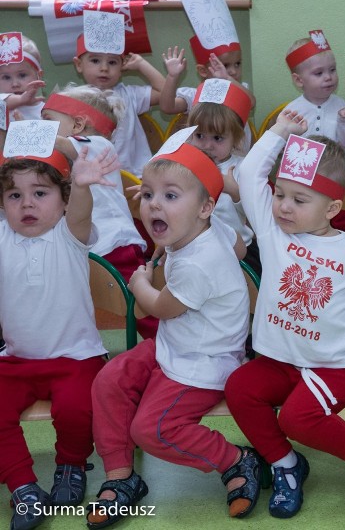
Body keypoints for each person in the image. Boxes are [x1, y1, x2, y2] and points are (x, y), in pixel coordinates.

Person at [225, 110, 345, 517]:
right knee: (239, 389)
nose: (284, 206)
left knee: (296, 419)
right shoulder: (271, 233)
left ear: (332, 207)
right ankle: (287, 465)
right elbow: (250, 172)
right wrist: (278, 133)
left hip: (336, 367)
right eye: (280, 194)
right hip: (278, 361)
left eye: (299, 199)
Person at [86, 140, 261, 529]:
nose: (152, 205)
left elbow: (158, 308)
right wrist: (179, 218)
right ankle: (120, 475)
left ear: (204, 208)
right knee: (109, 380)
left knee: (154, 430)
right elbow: (235, 246)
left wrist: (139, 284)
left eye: (169, 195)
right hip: (175, 344)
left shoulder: (197, 264)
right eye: (148, 195)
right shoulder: (208, 226)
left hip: (204, 362)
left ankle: (235, 459)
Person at [0, 129, 118, 530]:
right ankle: (23, 488)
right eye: (14, 196)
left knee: (76, 409)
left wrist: (82, 186)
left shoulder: (69, 235)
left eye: (40, 193)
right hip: (16, 361)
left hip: (76, 357)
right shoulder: (2, 237)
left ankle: (71, 466)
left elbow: (81, 213)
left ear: (63, 199)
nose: (27, 203)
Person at [40, 84, 158, 340]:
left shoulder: (97, 145)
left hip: (116, 246)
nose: (42, 125)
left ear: (79, 125)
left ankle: (169, 344)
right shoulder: (67, 158)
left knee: (141, 310)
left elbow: (60, 144)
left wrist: (25, 131)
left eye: (47, 120)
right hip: (89, 248)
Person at [185, 78, 260, 275]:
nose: (207, 145)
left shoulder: (243, 167)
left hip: (238, 252)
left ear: (236, 138)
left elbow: (259, 215)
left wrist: (234, 191)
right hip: (196, 249)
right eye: (199, 136)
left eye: (217, 138)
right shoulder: (185, 162)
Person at [73, 34, 165, 176]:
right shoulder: (73, 100)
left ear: (122, 66)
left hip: (136, 178)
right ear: (79, 65)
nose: (104, 68)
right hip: (94, 179)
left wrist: (141, 65)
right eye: (95, 60)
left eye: (113, 62)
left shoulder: (130, 95)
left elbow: (165, 93)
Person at [160, 44, 255, 155]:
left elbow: (251, 102)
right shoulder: (196, 95)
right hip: (204, 159)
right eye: (225, 65)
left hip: (237, 162)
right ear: (203, 71)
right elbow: (167, 107)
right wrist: (172, 76)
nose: (233, 71)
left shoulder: (239, 91)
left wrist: (227, 78)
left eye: (237, 64)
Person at [284, 31, 345, 149]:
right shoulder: (291, 112)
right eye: (319, 73)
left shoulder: (343, 108)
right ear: (299, 80)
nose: (328, 77)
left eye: (332, 69)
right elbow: (283, 148)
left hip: (337, 167)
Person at [0, 32, 46, 121]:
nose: (15, 84)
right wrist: (21, 99)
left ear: (38, 76)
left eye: (22, 75)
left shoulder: (47, 112)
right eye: (6, 77)